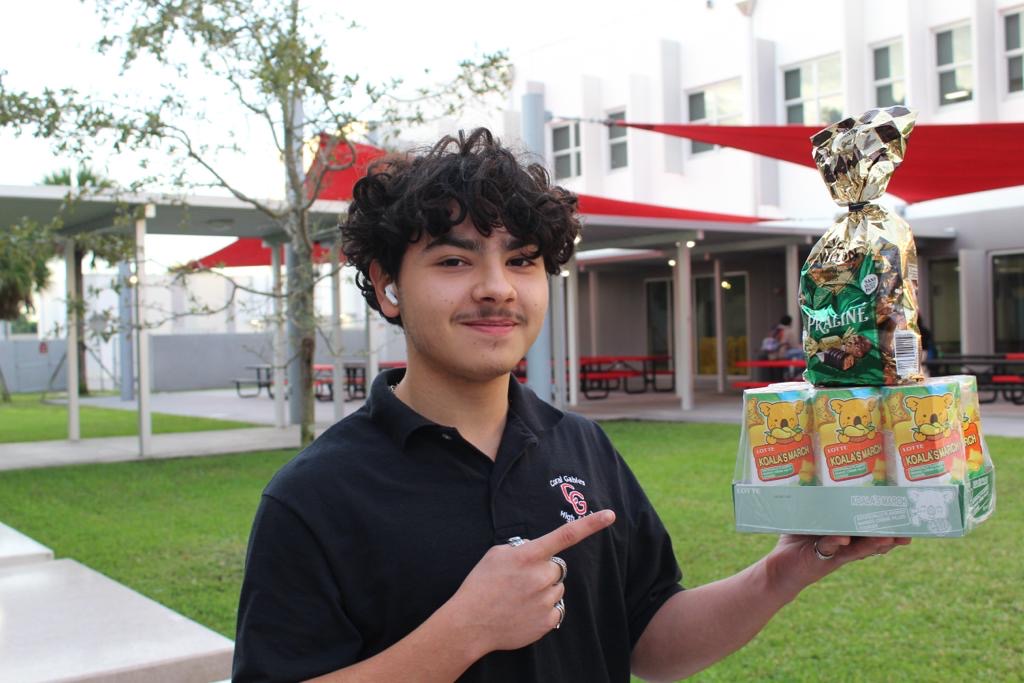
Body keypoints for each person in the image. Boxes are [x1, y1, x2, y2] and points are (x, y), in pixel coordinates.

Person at [232, 128, 908, 682]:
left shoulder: (581, 446)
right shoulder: (314, 497)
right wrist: (466, 630)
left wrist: (783, 571)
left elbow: (650, 638)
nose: (497, 288)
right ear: (387, 286)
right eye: (454, 261)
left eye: (522, 260)